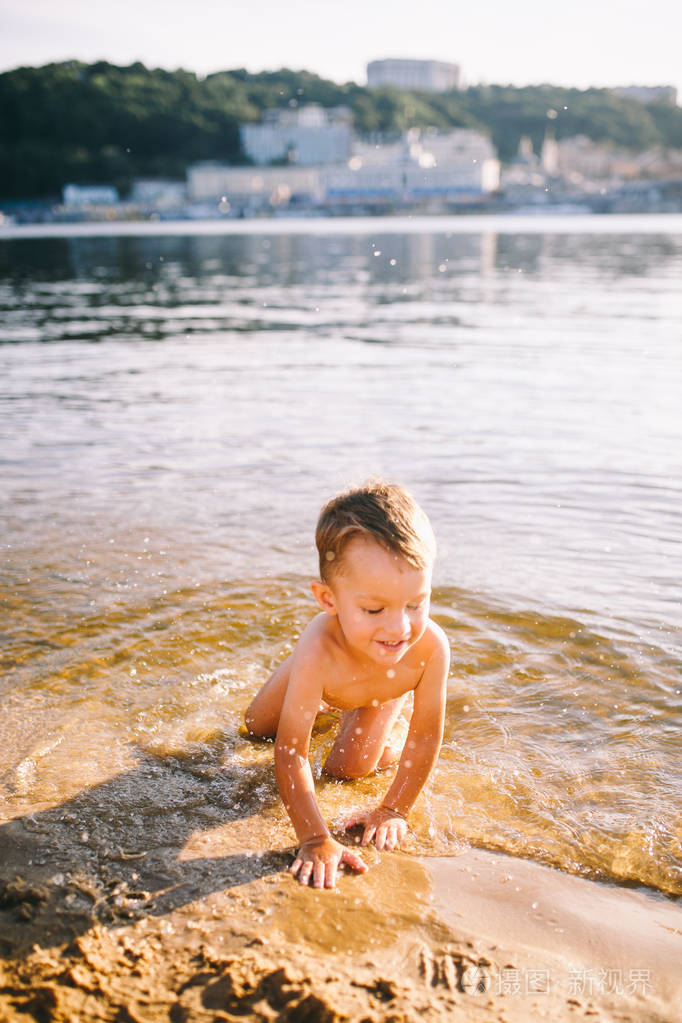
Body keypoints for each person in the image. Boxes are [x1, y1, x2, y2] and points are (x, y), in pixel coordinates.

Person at [244, 479, 450, 889]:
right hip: (328, 671)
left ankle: (382, 718)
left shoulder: (429, 648)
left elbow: (425, 737)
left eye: (415, 604)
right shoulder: (318, 646)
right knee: (256, 728)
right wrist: (315, 839)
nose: (400, 627)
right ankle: (317, 699)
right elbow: (290, 751)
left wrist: (393, 809)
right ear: (328, 600)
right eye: (374, 609)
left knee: (346, 770)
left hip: (383, 685)